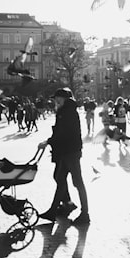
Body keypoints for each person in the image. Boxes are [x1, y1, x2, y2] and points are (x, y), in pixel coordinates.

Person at [37, 87, 89, 225]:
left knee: (77, 182)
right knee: (60, 178)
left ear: (64, 99)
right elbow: (60, 132)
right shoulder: (64, 111)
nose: (55, 101)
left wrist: (48, 142)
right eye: (55, 99)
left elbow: (63, 133)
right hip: (67, 151)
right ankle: (59, 208)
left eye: (57, 98)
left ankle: (85, 214)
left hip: (71, 151)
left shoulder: (67, 112)